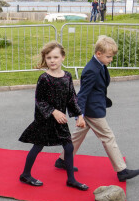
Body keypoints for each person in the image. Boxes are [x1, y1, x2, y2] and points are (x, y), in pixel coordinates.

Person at [55, 36, 139, 181]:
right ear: (99, 54)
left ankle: (62, 161)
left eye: (111, 57)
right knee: (108, 137)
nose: (111, 59)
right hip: (92, 110)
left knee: (77, 136)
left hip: (92, 107)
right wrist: (78, 115)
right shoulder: (91, 70)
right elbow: (82, 94)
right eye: (109, 57)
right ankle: (122, 170)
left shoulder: (99, 64)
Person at [19, 41, 88, 190]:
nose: (52, 60)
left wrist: (79, 116)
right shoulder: (44, 78)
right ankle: (25, 174)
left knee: (69, 148)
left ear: (63, 57)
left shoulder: (67, 76)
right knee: (37, 147)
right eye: (49, 57)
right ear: (45, 59)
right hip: (45, 120)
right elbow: (39, 101)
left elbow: (71, 98)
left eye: (55, 57)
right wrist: (54, 111)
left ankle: (71, 179)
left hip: (60, 120)